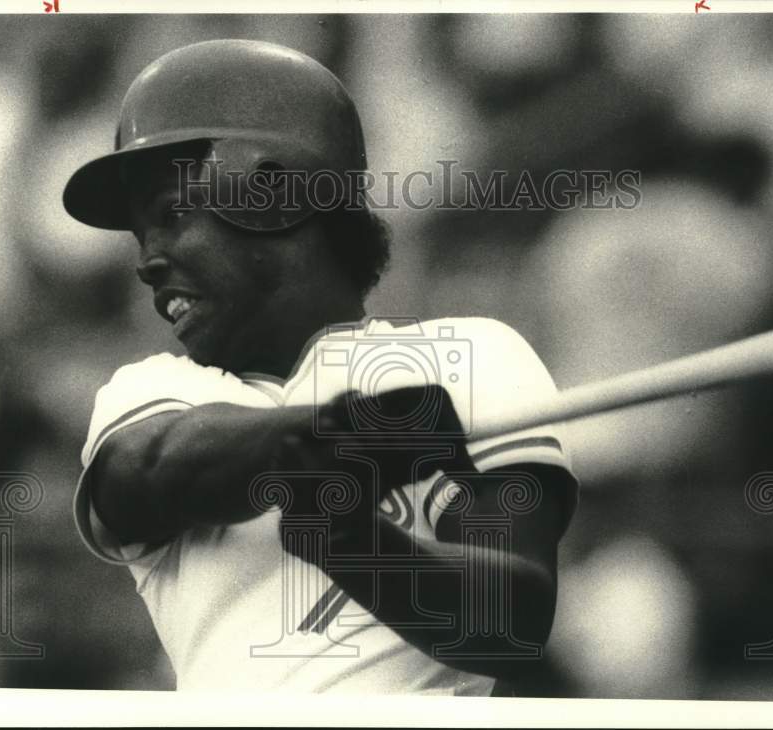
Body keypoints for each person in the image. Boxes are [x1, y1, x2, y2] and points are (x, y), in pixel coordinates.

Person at [64, 38, 578, 694]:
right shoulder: (150, 389)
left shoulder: (471, 354)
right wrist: (335, 437)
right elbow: (150, 469)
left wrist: (346, 535)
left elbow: (507, 623)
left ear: (271, 190)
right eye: (142, 234)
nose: (146, 262)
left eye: (170, 214)